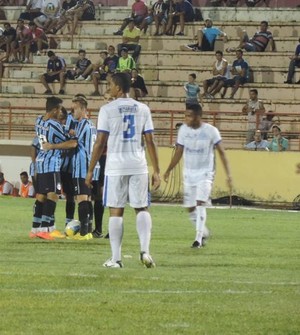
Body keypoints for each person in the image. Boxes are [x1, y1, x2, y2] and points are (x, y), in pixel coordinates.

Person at [85, 72, 161, 268]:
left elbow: (100, 142)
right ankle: (145, 250)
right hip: (138, 165)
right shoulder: (143, 108)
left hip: (116, 166)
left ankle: (116, 259)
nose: (108, 88)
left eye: (110, 84)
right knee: (141, 207)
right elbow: (150, 140)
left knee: (116, 211)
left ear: (118, 88)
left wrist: (91, 169)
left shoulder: (107, 109)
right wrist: (157, 170)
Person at [163, 104, 232, 248]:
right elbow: (179, 151)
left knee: (200, 202)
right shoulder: (183, 130)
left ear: (198, 117)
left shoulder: (211, 131)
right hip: (189, 173)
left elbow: (222, 152)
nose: (186, 118)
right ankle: (204, 231)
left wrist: (228, 175)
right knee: (189, 207)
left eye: (189, 115)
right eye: (185, 115)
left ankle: (198, 239)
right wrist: (168, 169)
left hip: (205, 173)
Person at [44, 95, 96, 240]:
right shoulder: (90, 124)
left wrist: (52, 146)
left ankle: (84, 233)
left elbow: (73, 143)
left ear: (82, 109)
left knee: (82, 198)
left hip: (82, 166)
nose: (72, 113)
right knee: (86, 198)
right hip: (88, 165)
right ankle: (88, 229)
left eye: (74, 109)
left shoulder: (84, 125)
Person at [30, 96, 77, 240]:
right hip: (52, 163)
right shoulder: (53, 125)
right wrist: (72, 135)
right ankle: (45, 229)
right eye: (60, 109)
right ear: (55, 109)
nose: (61, 112)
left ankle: (35, 229)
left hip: (41, 162)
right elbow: (72, 143)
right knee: (53, 195)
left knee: (41, 196)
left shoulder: (39, 120)